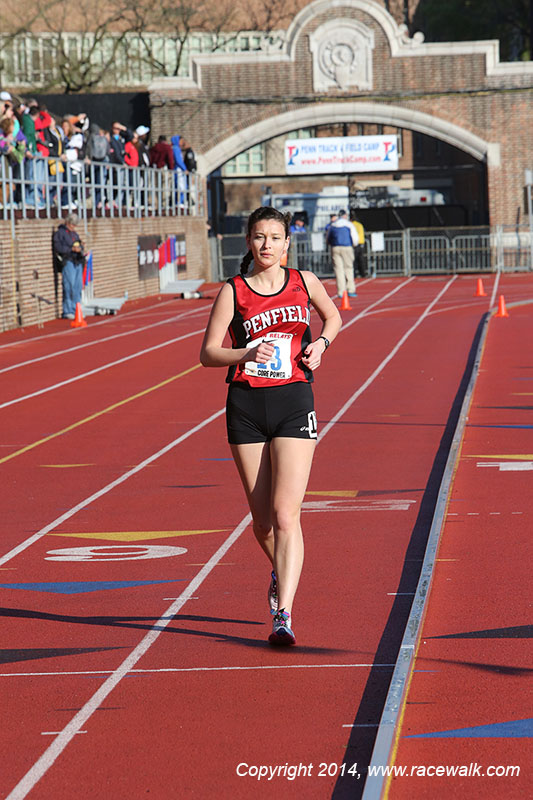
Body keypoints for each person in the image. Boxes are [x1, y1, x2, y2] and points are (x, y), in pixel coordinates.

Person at [200, 206, 341, 646]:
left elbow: (333, 317)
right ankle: (282, 568)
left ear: (287, 243)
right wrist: (245, 354)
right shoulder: (234, 291)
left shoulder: (303, 282)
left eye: (275, 237)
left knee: (286, 514)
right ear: (248, 242)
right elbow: (207, 353)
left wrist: (321, 344)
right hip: (245, 406)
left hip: (294, 402)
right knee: (262, 522)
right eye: (259, 237)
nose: (266, 245)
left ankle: (284, 615)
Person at [53, 213, 85, 319]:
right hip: (68, 261)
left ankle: (77, 309)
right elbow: (58, 247)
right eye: (72, 225)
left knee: (77, 287)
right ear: (67, 222)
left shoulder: (74, 234)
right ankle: (68, 310)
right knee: (69, 286)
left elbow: (78, 243)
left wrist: (81, 247)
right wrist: (71, 249)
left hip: (77, 261)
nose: (74, 227)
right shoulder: (60, 233)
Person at [326, 208, 359, 298]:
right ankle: (350, 289)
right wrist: (354, 245)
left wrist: (330, 244)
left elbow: (328, 238)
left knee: (338, 270)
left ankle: (341, 291)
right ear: (345, 216)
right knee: (348, 268)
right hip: (346, 247)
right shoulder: (349, 224)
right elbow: (355, 238)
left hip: (335, 247)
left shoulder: (333, 225)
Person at [351, 213, 368, 278]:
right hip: (361, 243)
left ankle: (354, 274)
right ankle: (363, 273)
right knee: (361, 259)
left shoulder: (352, 225)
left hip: (355, 244)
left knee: (354, 260)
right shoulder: (360, 225)